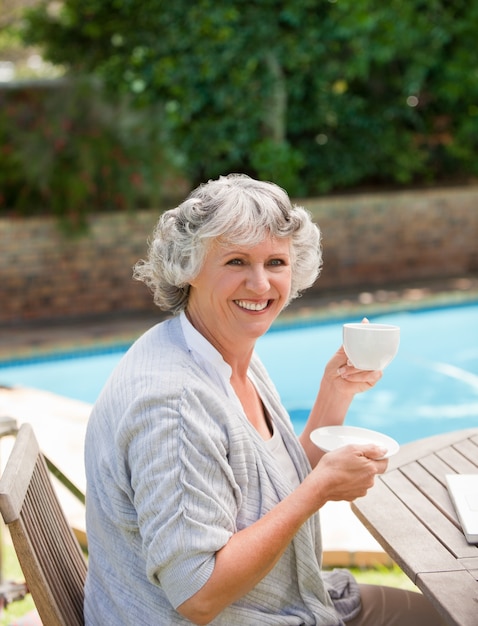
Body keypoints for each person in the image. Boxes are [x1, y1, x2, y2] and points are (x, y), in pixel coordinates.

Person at [84, 174, 445, 625]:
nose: (260, 284)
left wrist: (335, 393)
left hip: (290, 605)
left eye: (275, 262)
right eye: (236, 261)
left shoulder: (222, 352)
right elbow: (197, 594)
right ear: (189, 266)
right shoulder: (173, 405)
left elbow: (271, 481)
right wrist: (317, 492)